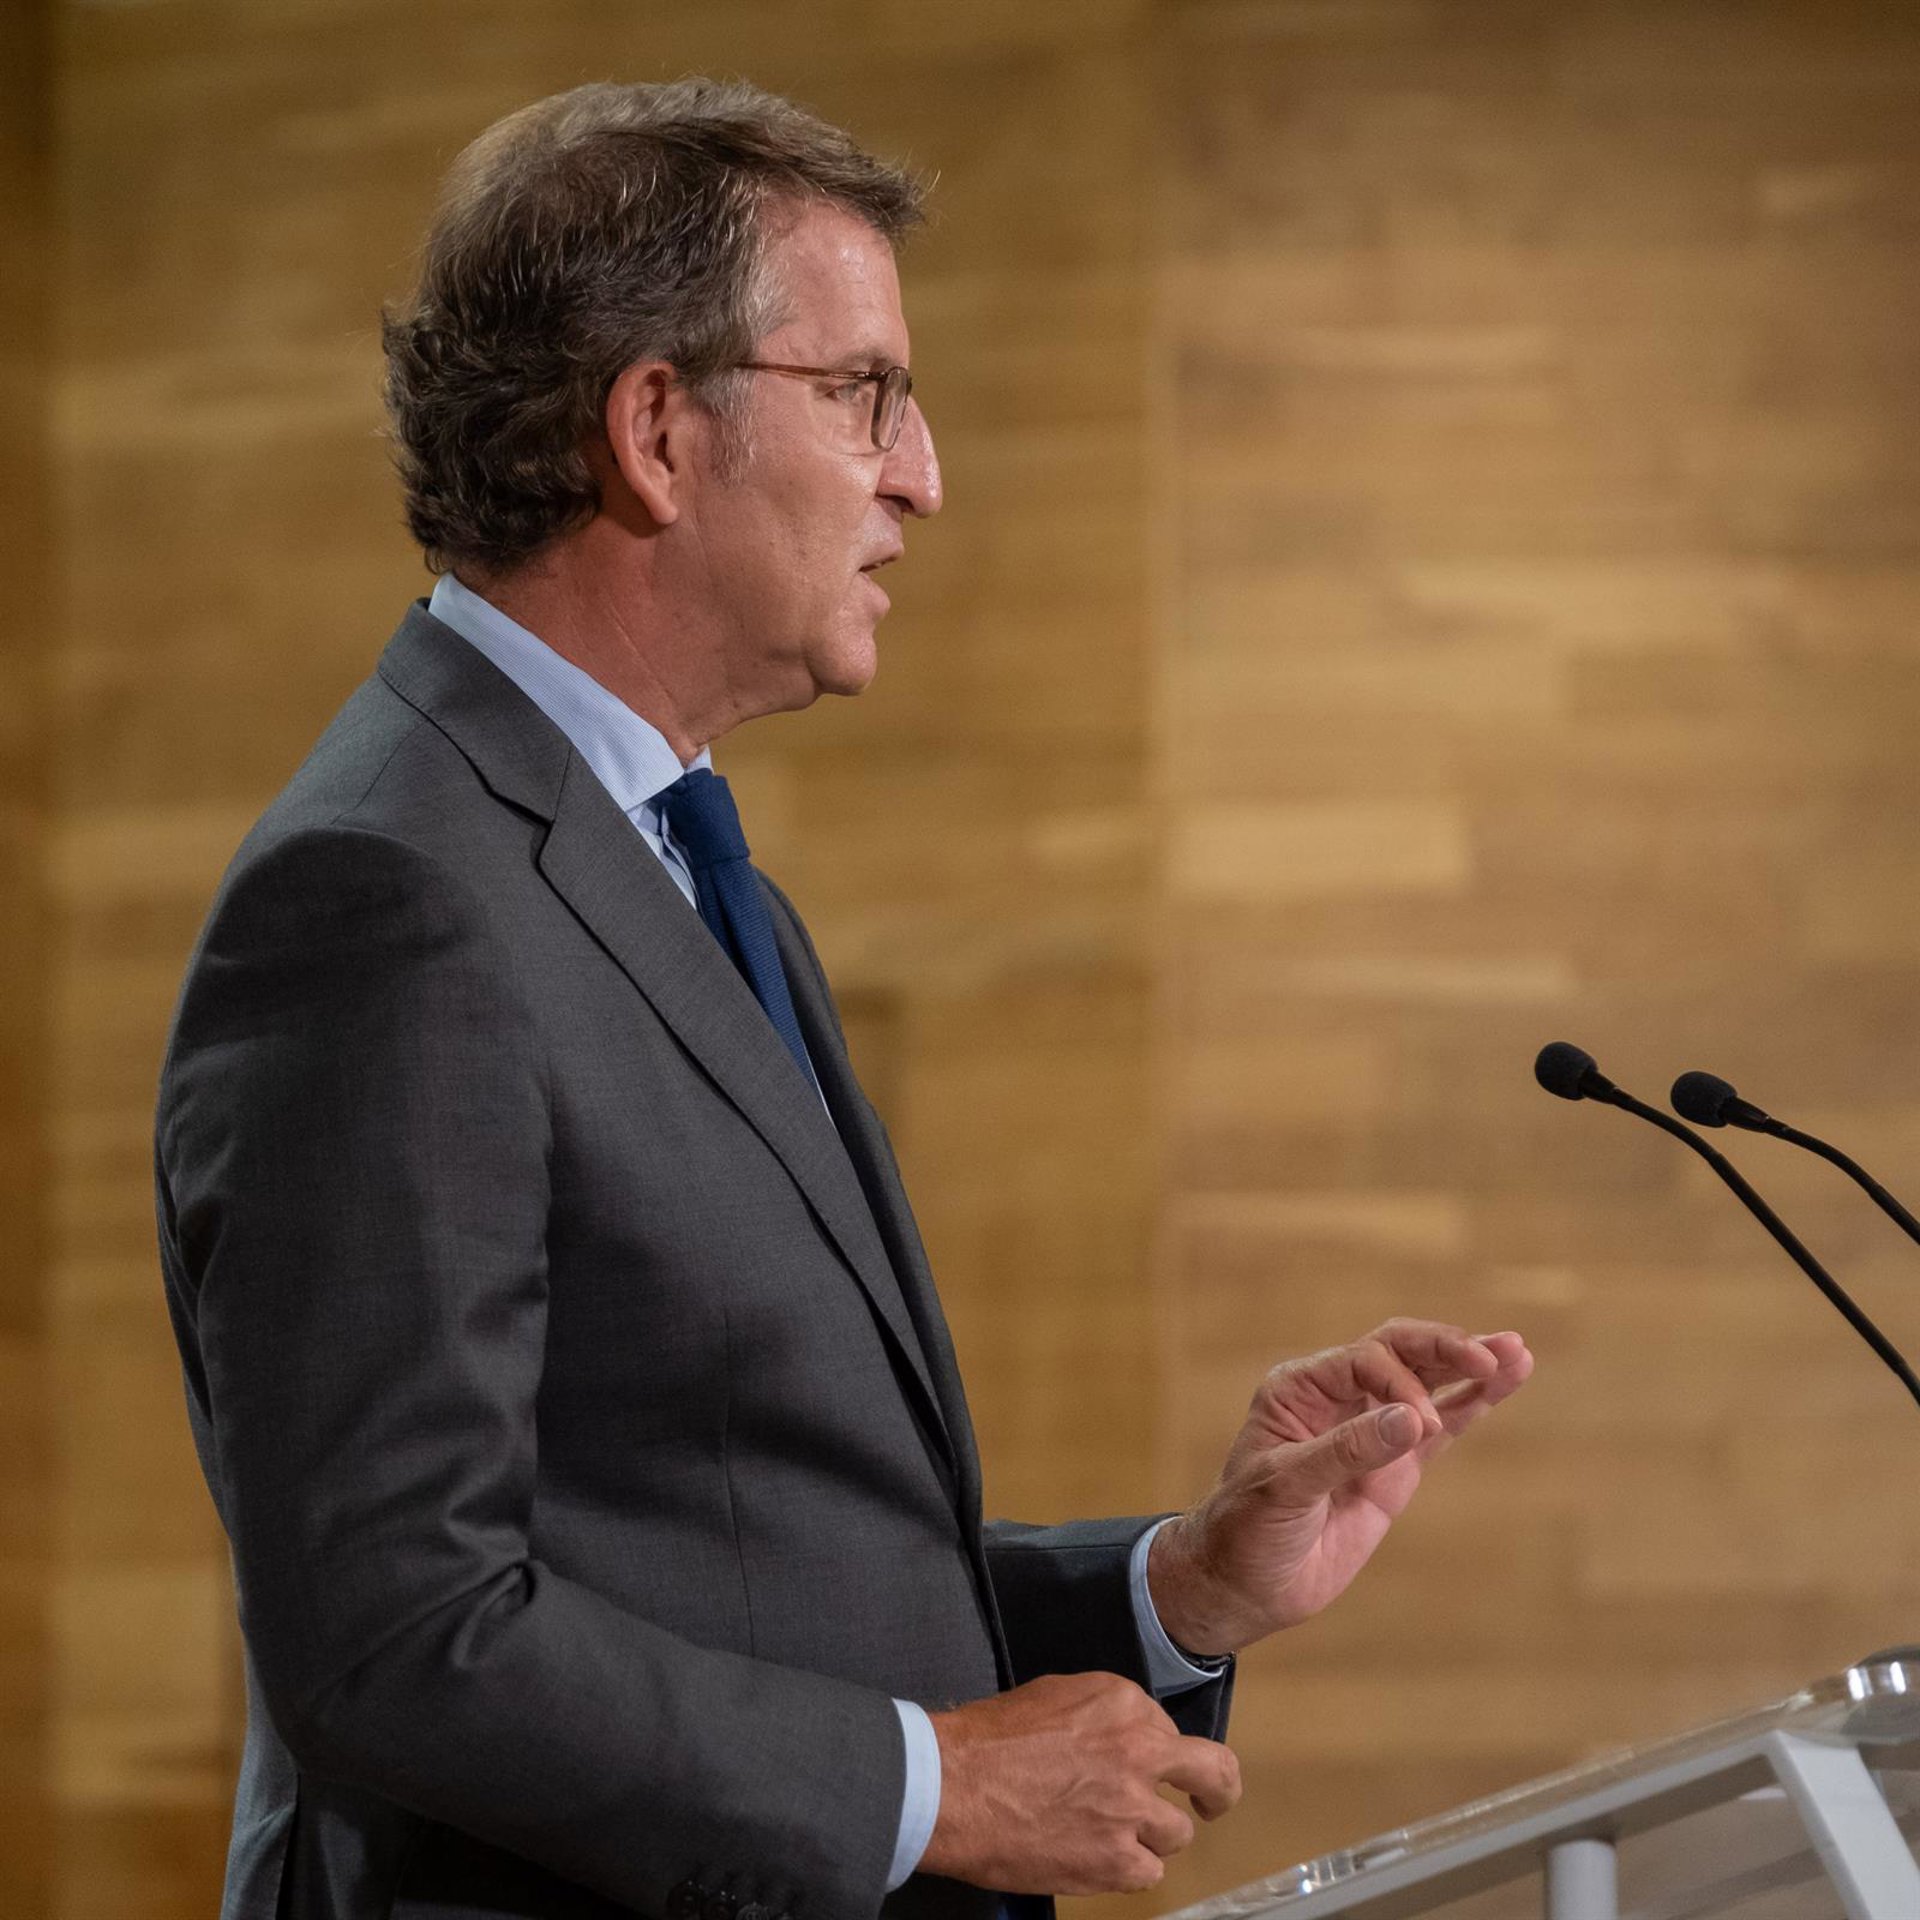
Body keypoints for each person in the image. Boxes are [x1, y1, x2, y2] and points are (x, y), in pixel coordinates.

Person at [155, 78, 1533, 1920]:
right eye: (865, 392)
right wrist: (935, 1788)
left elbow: (746, 1572)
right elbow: (396, 1629)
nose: (923, 474)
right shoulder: (387, 896)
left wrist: (1177, 1588)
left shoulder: (679, 863)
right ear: (657, 431)